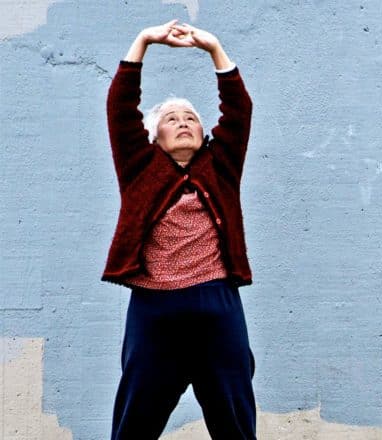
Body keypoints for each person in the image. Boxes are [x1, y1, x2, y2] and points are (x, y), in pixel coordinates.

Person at [103, 20, 256, 439]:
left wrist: (214, 48)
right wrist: (143, 41)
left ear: (205, 134)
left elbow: (239, 111)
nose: (184, 122)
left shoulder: (220, 165)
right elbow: (120, 107)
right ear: (155, 137)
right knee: (135, 420)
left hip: (217, 305)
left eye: (191, 117)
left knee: (236, 420)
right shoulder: (140, 167)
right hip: (154, 311)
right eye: (172, 119)